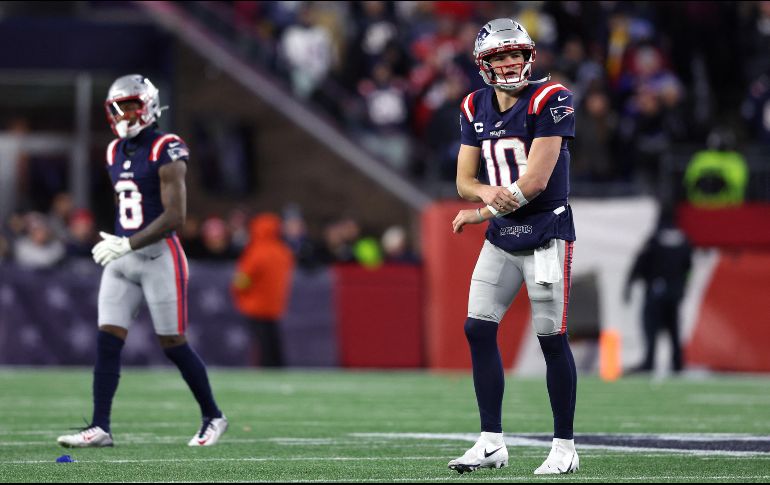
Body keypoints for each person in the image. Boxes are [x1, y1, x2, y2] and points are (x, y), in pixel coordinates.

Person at [56, 74, 227, 448]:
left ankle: (213, 416)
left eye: (131, 105)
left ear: (148, 105)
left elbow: (175, 217)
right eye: (118, 107)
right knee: (107, 339)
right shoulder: (113, 151)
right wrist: (119, 241)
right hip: (124, 257)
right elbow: (127, 206)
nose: (124, 114)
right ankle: (100, 427)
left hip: (158, 256)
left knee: (173, 343)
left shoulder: (167, 147)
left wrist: (128, 243)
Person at [448, 19, 579, 475]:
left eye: (515, 54)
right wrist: (483, 195)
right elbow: (465, 180)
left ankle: (564, 446)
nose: (509, 63)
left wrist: (480, 212)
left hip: (545, 230)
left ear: (529, 56)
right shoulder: (472, 104)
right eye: (500, 57)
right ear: (484, 64)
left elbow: (537, 180)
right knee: (477, 329)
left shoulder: (552, 97)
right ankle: (490, 441)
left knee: (551, 340)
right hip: (503, 236)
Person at [624, 207, 693, 374]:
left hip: (656, 290)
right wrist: (682, 287)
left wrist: (629, 285)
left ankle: (649, 361)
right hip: (674, 292)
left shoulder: (655, 239)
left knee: (651, 327)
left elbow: (641, 262)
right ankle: (677, 363)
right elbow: (688, 267)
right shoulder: (684, 240)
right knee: (673, 328)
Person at [231, 213, 294, 367]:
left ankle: (267, 366)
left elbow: (242, 279)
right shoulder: (284, 252)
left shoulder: (256, 252)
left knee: (262, 341)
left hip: (255, 305)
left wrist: (238, 292)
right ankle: (278, 365)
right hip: (275, 304)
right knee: (273, 338)